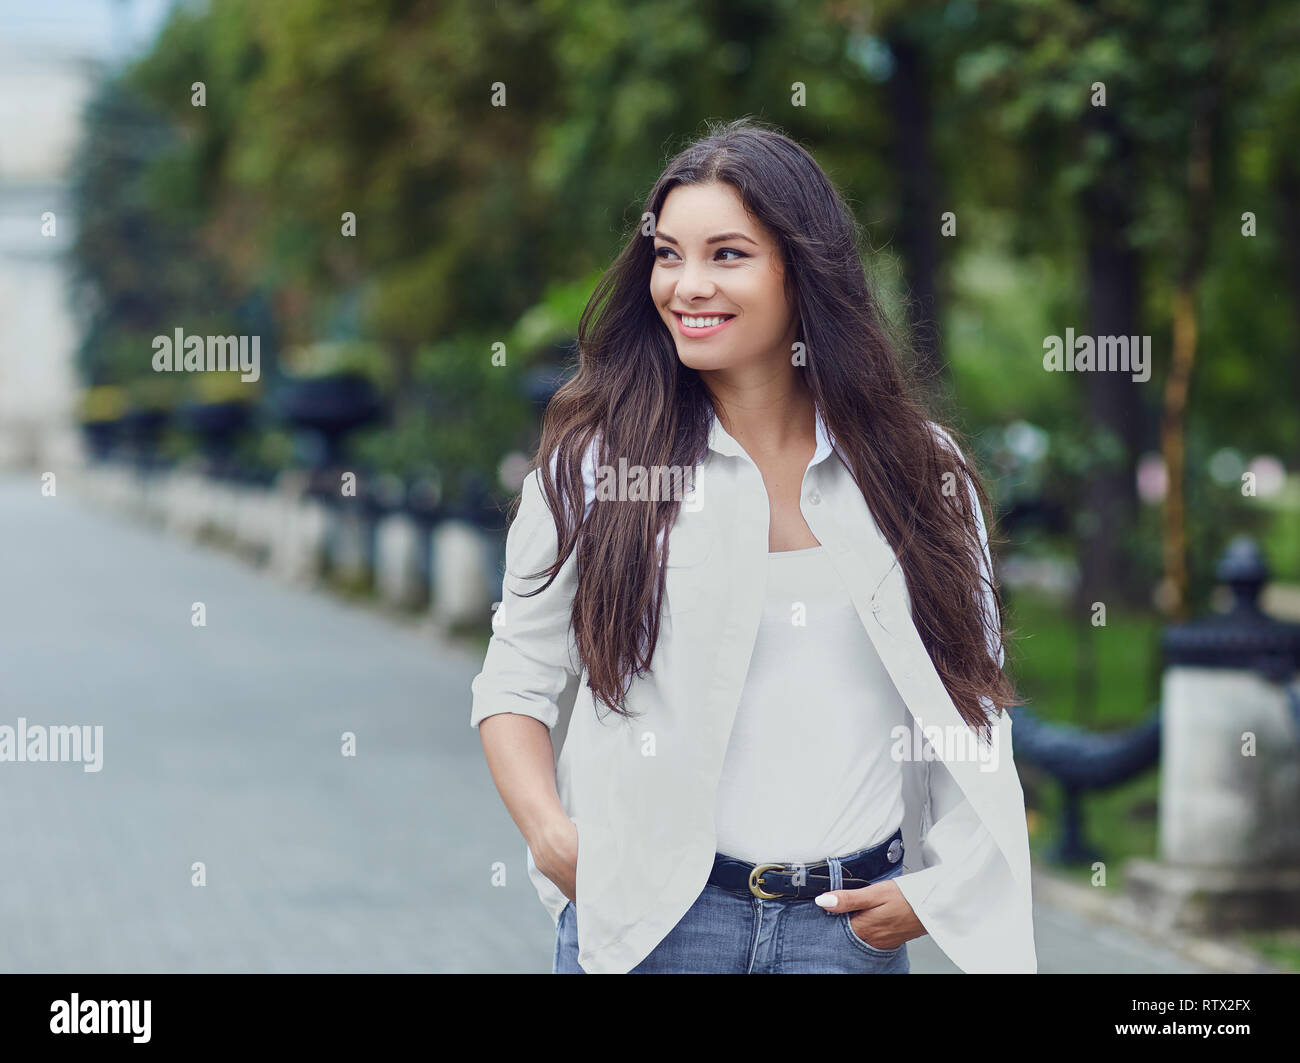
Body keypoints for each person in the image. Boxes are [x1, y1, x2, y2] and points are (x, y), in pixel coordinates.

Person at [470, 117, 1037, 974]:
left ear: (802, 270)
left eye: (726, 254)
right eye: (668, 254)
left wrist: (936, 890)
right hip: (655, 925)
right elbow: (516, 675)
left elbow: (969, 698)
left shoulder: (922, 472)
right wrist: (553, 837)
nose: (687, 285)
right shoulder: (596, 466)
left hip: (842, 929)